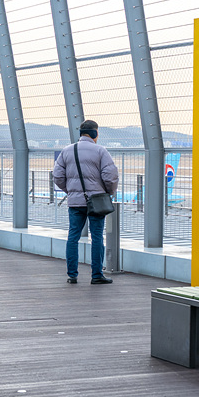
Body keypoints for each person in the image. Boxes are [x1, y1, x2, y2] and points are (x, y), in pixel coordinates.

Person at [52, 119, 119, 284]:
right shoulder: (100, 151)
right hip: (96, 201)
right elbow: (110, 176)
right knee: (96, 237)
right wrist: (108, 192)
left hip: (75, 202)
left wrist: (71, 191)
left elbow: (57, 176)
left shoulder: (67, 151)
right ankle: (96, 275)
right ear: (95, 133)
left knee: (73, 236)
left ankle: (72, 275)